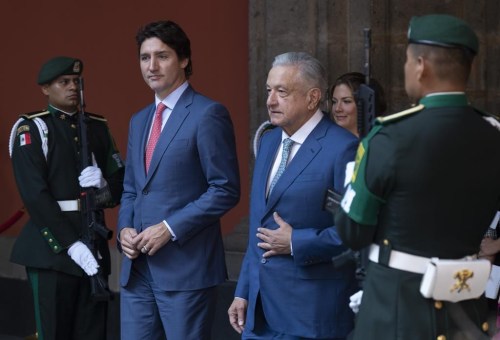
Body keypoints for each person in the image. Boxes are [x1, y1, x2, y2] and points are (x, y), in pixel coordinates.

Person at [335, 14, 500, 340]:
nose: (407, 68)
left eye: (408, 60)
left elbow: (353, 230)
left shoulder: (391, 137)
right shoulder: (494, 135)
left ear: (421, 66)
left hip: (397, 311)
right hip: (465, 306)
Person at [117, 20, 240, 340]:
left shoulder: (208, 113)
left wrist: (169, 228)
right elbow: (131, 188)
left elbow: (225, 189)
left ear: (183, 59)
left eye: (162, 56)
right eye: (145, 58)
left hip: (186, 269)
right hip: (136, 270)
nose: (152, 66)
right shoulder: (139, 119)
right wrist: (124, 230)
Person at [228, 51, 359, 339]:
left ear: (313, 98)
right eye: (268, 90)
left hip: (310, 315)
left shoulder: (344, 147)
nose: (270, 101)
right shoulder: (269, 142)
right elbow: (257, 225)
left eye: (281, 92)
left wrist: (296, 242)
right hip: (259, 315)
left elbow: (354, 232)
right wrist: (244, 292)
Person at [9, 56, 125, 340]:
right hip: (53, 251)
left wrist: (103, 185)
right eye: (64, 82)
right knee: (55, 332)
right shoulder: (33, 129)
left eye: (76, 82)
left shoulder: (96, 126)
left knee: (92, 332)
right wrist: (71, 244)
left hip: (94, 244)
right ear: (46, 89)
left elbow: (123, 183)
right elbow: (35, 195)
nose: (73, 87)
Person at [330, 72, 387, 137]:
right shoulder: (329, 142)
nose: (337, 109)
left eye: (346, 101)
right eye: (334, 102)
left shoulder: (380, 142)